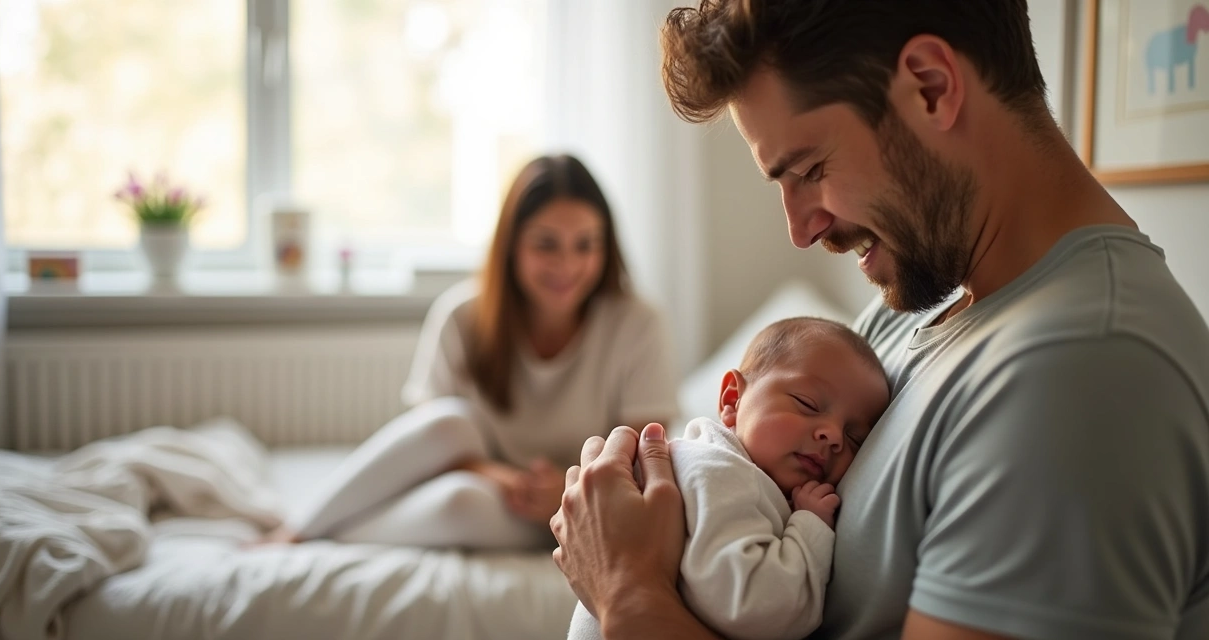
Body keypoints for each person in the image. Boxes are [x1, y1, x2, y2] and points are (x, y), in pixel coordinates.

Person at [550, 1, 1209, 639]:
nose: (802, 229)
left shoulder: (1080, 372)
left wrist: (627, 591)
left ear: (930, 87)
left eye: (810, 169)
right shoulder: (914, 317)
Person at [261, 153, 678, 550]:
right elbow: (427, 446)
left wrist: (567, 488)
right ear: (511, 245)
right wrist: (503, 478)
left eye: (585, 245)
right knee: (450, 436)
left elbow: (644, 459)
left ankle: (318, 533)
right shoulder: (461, 316)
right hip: (495, 487)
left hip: (580, 506)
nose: (567, 264)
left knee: (460, 506)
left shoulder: (637, 324)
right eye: (547, 244)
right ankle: (301, 529)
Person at [567, 317, 890, 640]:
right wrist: (809, 529)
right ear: (732, 400)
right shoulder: (719, 472)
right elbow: (754, 608)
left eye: (854, 438)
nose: (832, 435)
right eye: (807, 404)